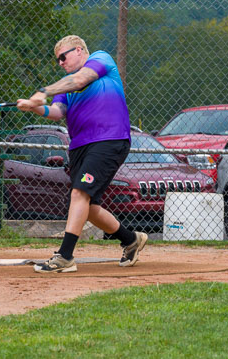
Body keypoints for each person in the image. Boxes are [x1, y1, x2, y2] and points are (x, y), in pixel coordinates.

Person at [16, 34, 147, 273]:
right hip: (79, 146)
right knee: (89, 207)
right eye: (57, 60)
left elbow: (80, 80)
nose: (60, 63)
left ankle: (65, 257)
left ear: (79, 50)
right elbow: (57, 111)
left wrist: (43, 90)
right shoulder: (66, 82)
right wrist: (35, 107)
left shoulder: (100, 60)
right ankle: (131, 240)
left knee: (80, 193)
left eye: (63, 57)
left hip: (108, 139)